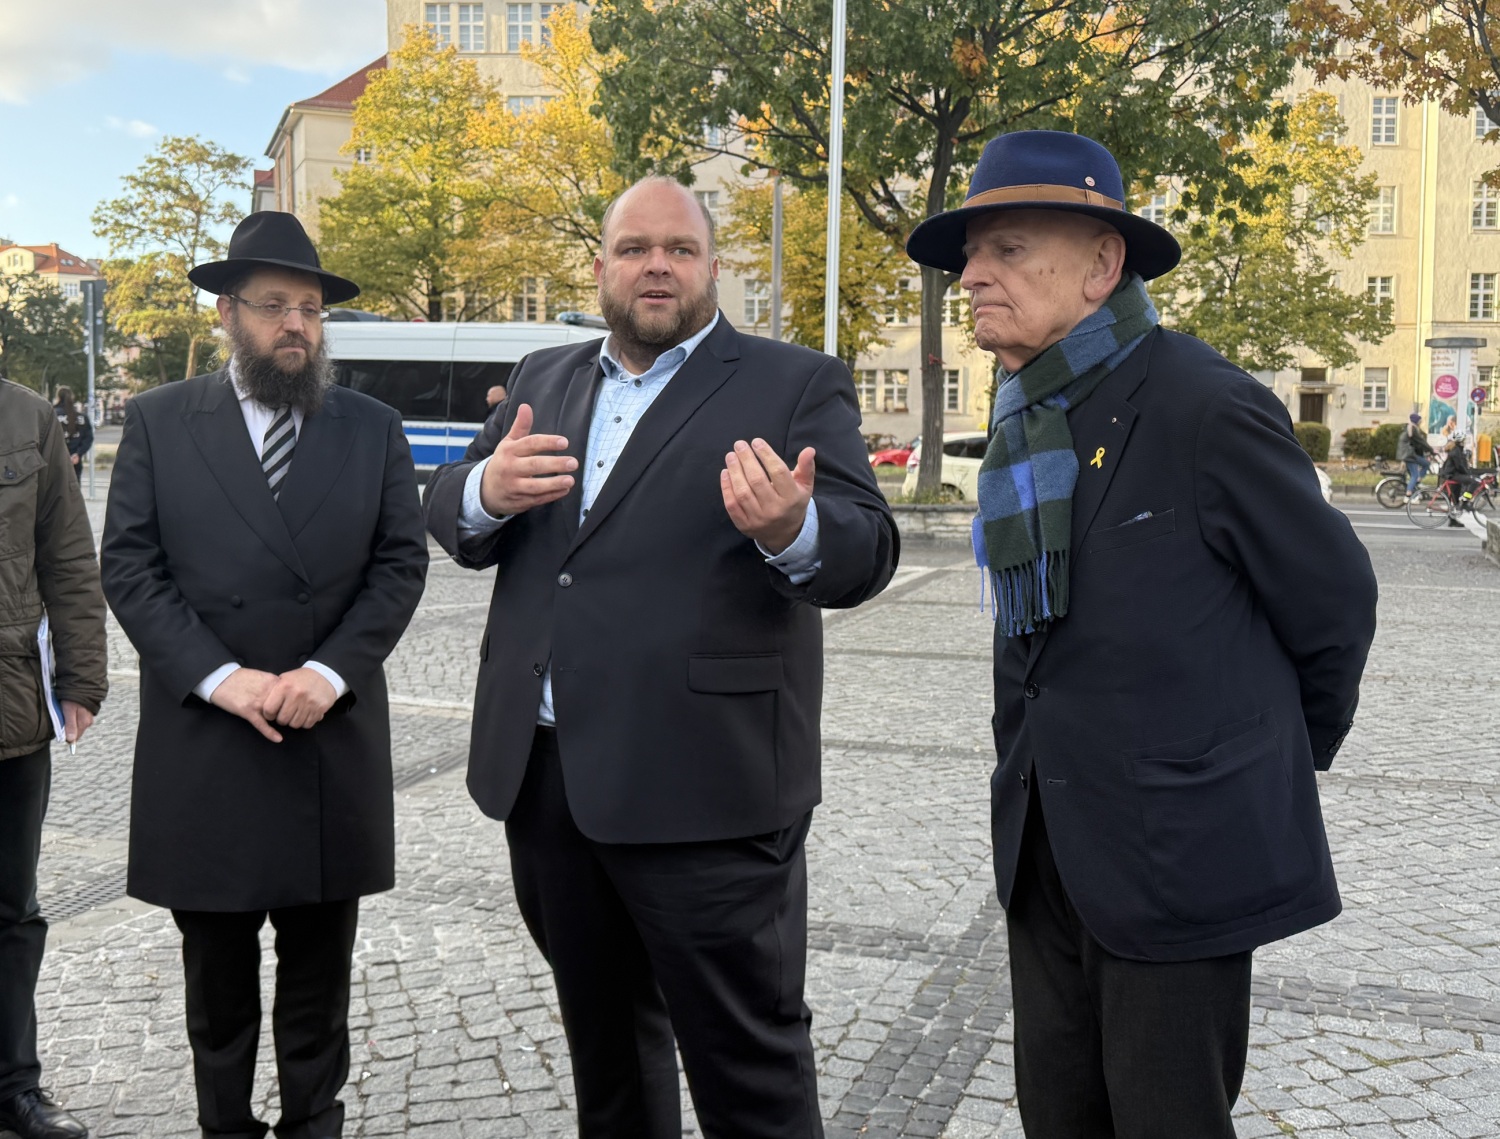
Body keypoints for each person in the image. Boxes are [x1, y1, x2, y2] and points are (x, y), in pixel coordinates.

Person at [905, 131, 1378, 1137]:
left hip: (1180, 859)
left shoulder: (1204, 406)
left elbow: (1334, 603)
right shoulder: (1024, 420)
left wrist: (1257, 763)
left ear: (1102, 264)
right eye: (969, 259)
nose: (974, 276)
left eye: (1008, 249)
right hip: (1046, 851)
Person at [423, 176, 898, 1138]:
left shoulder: (790, 381)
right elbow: (451, 516)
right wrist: (484, 487)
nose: (657, 266)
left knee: (749, 1073)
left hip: (708, 795)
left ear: (713, 267)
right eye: (635, 248)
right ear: (599, 267)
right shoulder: (542, 376)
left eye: (679, 249)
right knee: (608, 1057)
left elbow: (868, 548)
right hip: (550, 786)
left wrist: (796, 527)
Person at [99, 212, 429, 1139]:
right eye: (275, 306)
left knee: (321, 980)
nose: (296, 325)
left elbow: (400, 566)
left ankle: (313, 1125)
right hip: (207, 740)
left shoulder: (372, 426)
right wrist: (218, 677)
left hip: (330, 737)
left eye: (312, 309)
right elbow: (129, 565)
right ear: (227, 315)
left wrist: (329, 670)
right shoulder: (164, 422)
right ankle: (225, 1126)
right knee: (218, 983)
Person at [0, 380, 107, 1139]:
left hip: (8, 706)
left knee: (12, 909)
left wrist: (80, 678)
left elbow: (67, 557)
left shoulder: (28, 417)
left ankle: (14, 1085)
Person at [51, 387, 93, 483]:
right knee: (74, 490)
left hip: (54, 461)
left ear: (58, 397)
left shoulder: (51, 415)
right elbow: (88, 438)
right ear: (72, 397)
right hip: (74, 460)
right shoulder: (81, 417)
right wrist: (78, 453)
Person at [1396, 412, 1434, 499]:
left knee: (1426, 463)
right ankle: (1408, 495)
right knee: (1415, 475)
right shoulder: (1413, 429)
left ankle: (1416, 483)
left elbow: (1417, 444)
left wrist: (1427, 451)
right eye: (1420, 421)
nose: (1420, 423)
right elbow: (1420, 441)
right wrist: (1431, 450)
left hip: (1408, 454)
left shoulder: (1409, 428)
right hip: (1409, 455)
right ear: (1416, 421)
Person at [1439, 437, 1479, 516]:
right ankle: (1465, 501)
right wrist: (1467, 474)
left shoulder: (1456, 450)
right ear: (1461, 441)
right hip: (1452, 474)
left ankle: (1457, 507)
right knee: (1473, 482)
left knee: (1456, 492)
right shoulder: (1456, 451)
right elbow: (1459, 466)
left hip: (1451, 473)